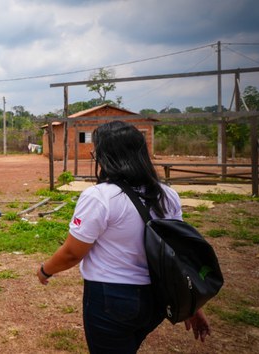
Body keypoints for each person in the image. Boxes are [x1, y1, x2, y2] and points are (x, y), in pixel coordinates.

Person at [36, 120, 211, 353]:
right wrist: (192, 304)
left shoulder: (100, 196)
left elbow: (71, 253)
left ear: (105, 156)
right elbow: (177, 252)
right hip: (157, 298)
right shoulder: (167, 195)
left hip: (112, 297)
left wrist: (45, 270)